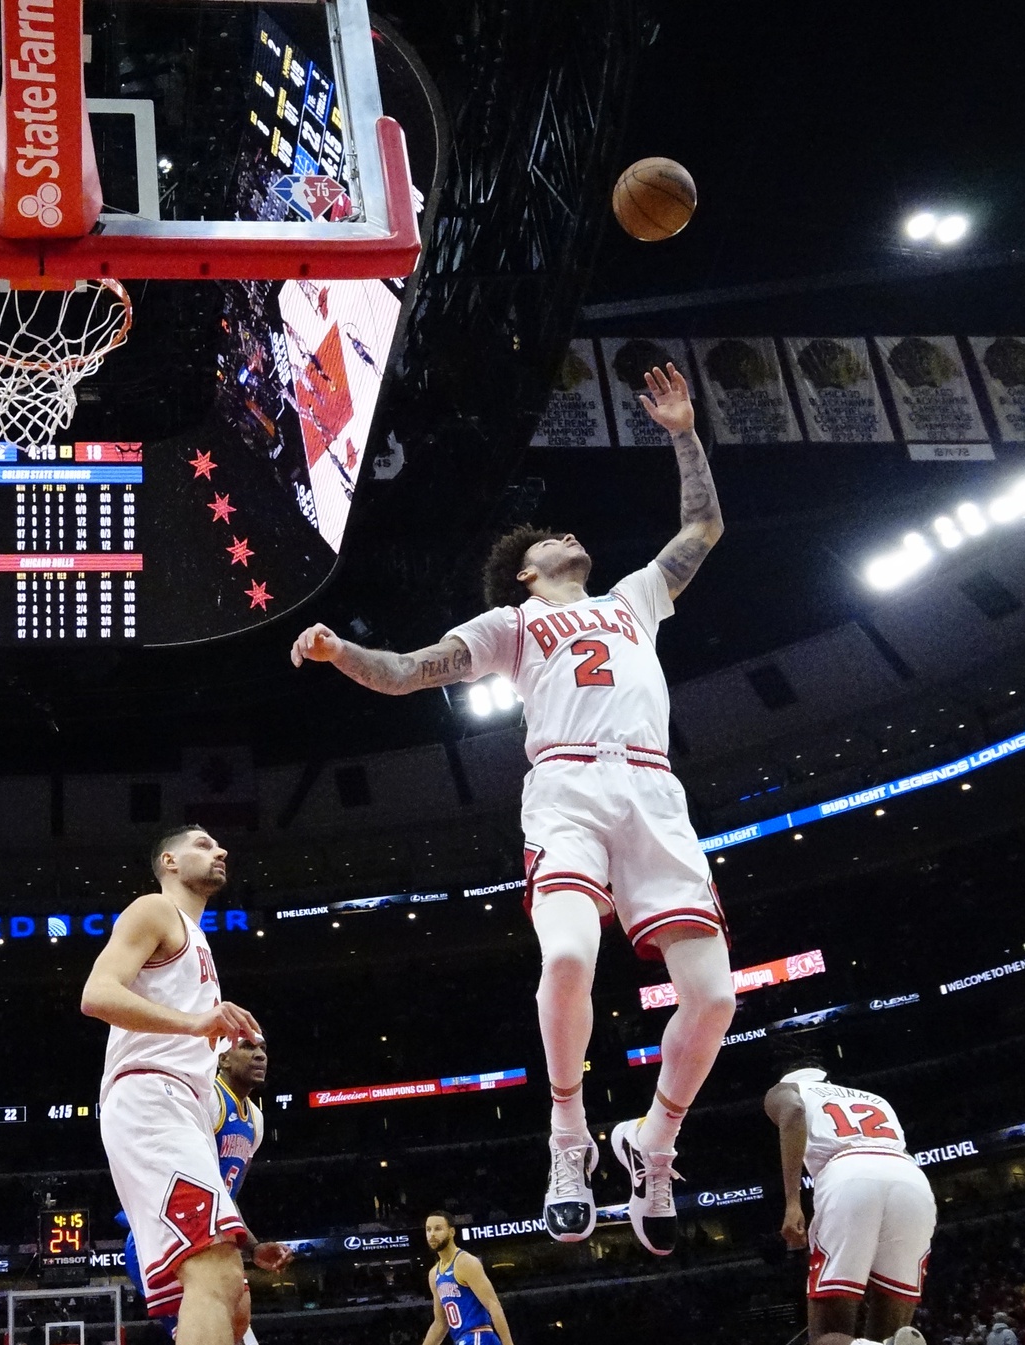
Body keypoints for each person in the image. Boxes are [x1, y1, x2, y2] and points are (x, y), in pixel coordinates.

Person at [291, 363, 733, 1254]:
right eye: (551, 538)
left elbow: (702, 526)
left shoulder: (634, 601)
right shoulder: (512, 625)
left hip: (652, 786)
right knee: (568, 954)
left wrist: (682, 430)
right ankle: (567, 1137)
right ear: (528, 573)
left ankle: (652, 1142)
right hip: (567, 785)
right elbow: (410, 670)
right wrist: (342, 650)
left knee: (714, 995)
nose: (572, 533)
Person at [82, 825, 280, 1345]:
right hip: (150, 1094)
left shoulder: (198, 938)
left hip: (182, 1103)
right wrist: (196, 1024)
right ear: (168, 861)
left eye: (219, 845)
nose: (220, 850)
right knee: (215, 1272)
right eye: (203, 844)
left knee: (232, 1291)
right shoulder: (154, 909)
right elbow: (96, 993)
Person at [119, 1035, 288, 1342]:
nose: (260, 1055)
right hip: (172, 1235)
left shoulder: (256, 1121)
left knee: (238, 1324)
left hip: (209, 1235)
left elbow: (226, 1197)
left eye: (263, 1047)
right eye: (248, 1047)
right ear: (223, 1059)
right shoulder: (206, 1099)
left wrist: (254, 1246)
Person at [764, 1063, 937, 1345]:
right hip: (911, 1181)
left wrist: (793, 1202)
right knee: (891, 1334)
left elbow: (794, 1110)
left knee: (829, 1335)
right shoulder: (874, 1098)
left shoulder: (785, 1089)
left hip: (848, 1175)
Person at [420, 1212, 515, 1345]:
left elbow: (493, 1306)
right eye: (428, 1229)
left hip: (479, 1335)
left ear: (452, 1232)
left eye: (438, 1228)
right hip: (462, 1339)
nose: (432, 1234)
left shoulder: (465, 1262)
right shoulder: (434, 1274)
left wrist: (508, 1343)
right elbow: (440, 1323)